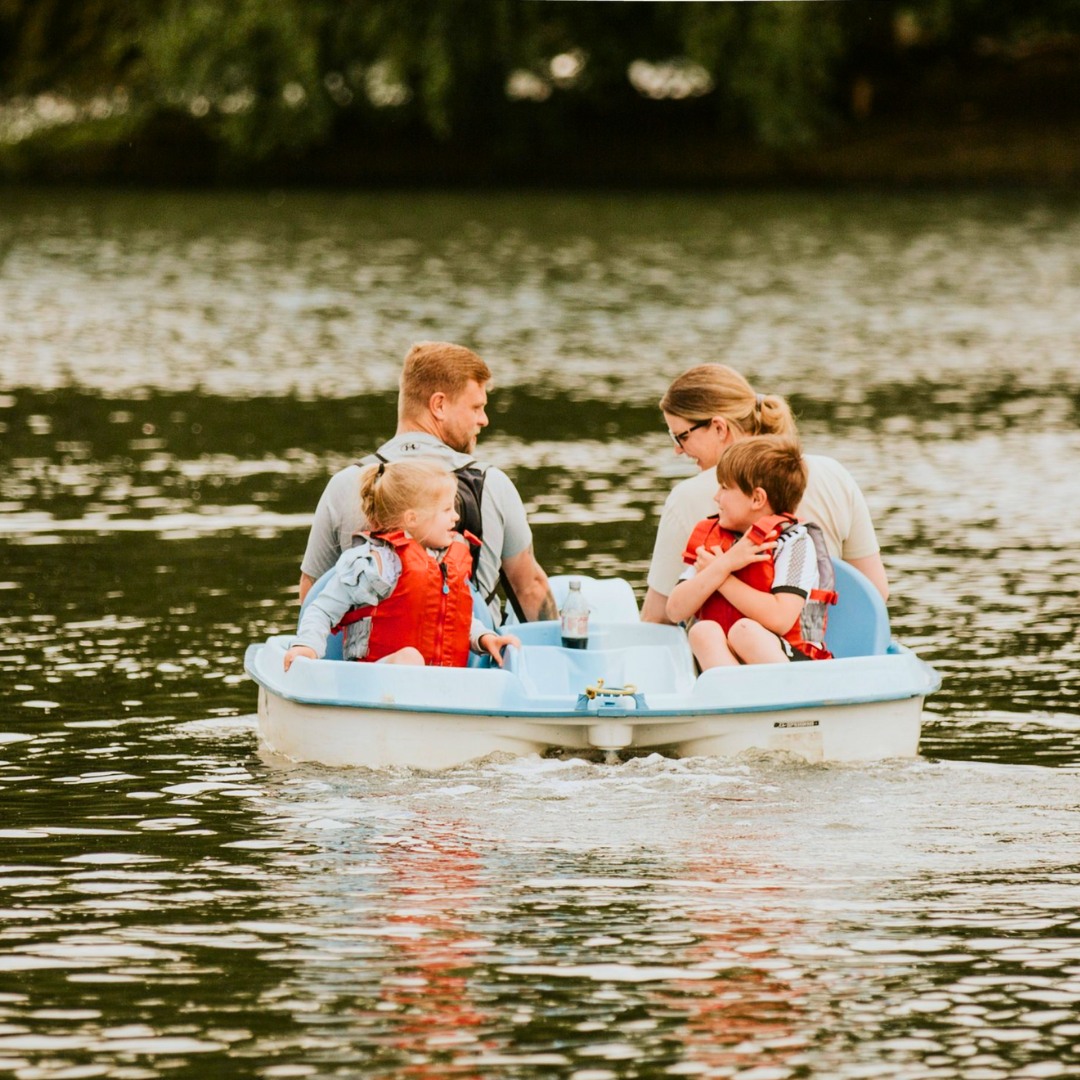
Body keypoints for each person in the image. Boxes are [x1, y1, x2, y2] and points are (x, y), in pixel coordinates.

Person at [299, 341, 557, 625]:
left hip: (374, 661)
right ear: (439, 405)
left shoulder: (346, 483)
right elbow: (529, 588)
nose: (484, 420)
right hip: (473, 660)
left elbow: (313, 595)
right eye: (477, 407)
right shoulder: (491, 483)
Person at [640, 364, 888, 624]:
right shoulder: (834, 474)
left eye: (681, 436)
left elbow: (656, 620)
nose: (678, 450)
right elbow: (874, 594)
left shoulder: (687, 496)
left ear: (719, 428)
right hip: (820, 651)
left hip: (726, 658)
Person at [285, 460, 520, 671]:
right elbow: (322, 610)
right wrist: (308, 646)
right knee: (410, 659)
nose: (456, 517)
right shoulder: (375, 564)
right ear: (412, 518)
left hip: (437, 691)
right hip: (372, 685)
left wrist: (483, 638)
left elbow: (452, 621)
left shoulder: (440, 563)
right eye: (447, 509)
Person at [667, 436, 836, 669]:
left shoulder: (794, 543)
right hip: (732, 668)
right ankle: (735, 702)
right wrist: (724, 564)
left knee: (744, 632)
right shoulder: (715, 545)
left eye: (725, 487)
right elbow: (675, 610)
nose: (716, 496)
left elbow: (779, 618)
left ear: (757, 498)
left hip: (792, 661)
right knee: (702, 631)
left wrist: (723, 576)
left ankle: (781, 698)